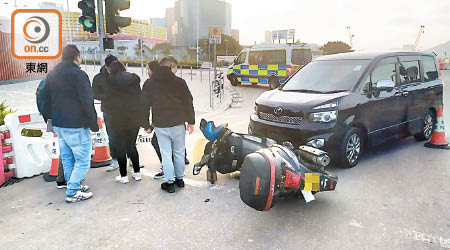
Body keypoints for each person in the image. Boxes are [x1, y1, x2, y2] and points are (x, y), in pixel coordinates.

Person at [44, 45, 98, 202]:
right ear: (77, 57)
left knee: (67, 159)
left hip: (58, 124)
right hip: (76, 124)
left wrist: (50, 117)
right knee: (82, 160)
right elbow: (87, 101)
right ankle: (73, 191)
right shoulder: (79, 75)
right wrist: (94, 124)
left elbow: (44, 97)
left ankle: (72, 185)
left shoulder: (52, 74)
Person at [142, 56, 195, 193]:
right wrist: (191, 121)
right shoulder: (180, 82)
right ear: (171, 67)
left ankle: (170, 183)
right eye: (176, 68)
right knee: (178, 152)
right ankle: (180, 180)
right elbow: (188, 101)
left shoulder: (149, 83)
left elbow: (144, 105)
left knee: (166, 154)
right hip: (178, 124)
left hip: (160, 125)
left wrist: (146, 124)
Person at [105, 61, 148, 184]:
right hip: (134, 118)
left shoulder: (110, 82)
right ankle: (137, 173)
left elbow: (108, 103)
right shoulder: (134, 81)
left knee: (120, 147)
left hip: (118, 118)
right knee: (131, 145)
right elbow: (140, 99)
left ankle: (123, 176)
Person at [92, 54, 119, 172]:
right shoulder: (99, 78)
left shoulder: (120, 75)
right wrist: (106, 97)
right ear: (107, 67)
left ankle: (132, 159)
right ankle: (115, 160)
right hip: (108, 110)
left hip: (123, 109)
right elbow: (94, 93)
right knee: (112, 136)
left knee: (127, 135)